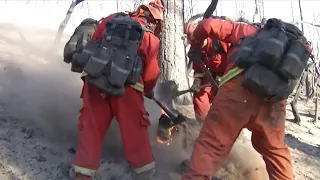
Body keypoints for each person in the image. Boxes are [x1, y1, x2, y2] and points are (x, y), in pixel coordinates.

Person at [181, 17, 295, 180]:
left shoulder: (241, 29)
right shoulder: (276, 44)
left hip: (238, 92)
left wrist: (196, 43)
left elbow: (208, 25)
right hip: (274, 99)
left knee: (211, 144)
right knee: (275, 148)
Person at [71, 1, 165, 180]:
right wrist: (148, 89)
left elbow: (94, 44)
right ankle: (144, 172)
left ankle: (82, 173)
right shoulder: (151, 39)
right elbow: (152, 73)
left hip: (95, 82)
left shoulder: (111, 19)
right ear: (155, 21)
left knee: (92, 126)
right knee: (134, 128)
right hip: (127, 90)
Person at [184, 15, 231, 122]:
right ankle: (203, 124)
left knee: (224, 102)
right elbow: (198, 67)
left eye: (196, 41)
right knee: (199, 95)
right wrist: (197, 81)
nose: (195, 44)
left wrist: (225, 79)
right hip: (213, 77)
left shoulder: (221, 41)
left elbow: (235, 60)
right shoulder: (196, 48)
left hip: (230, 78)